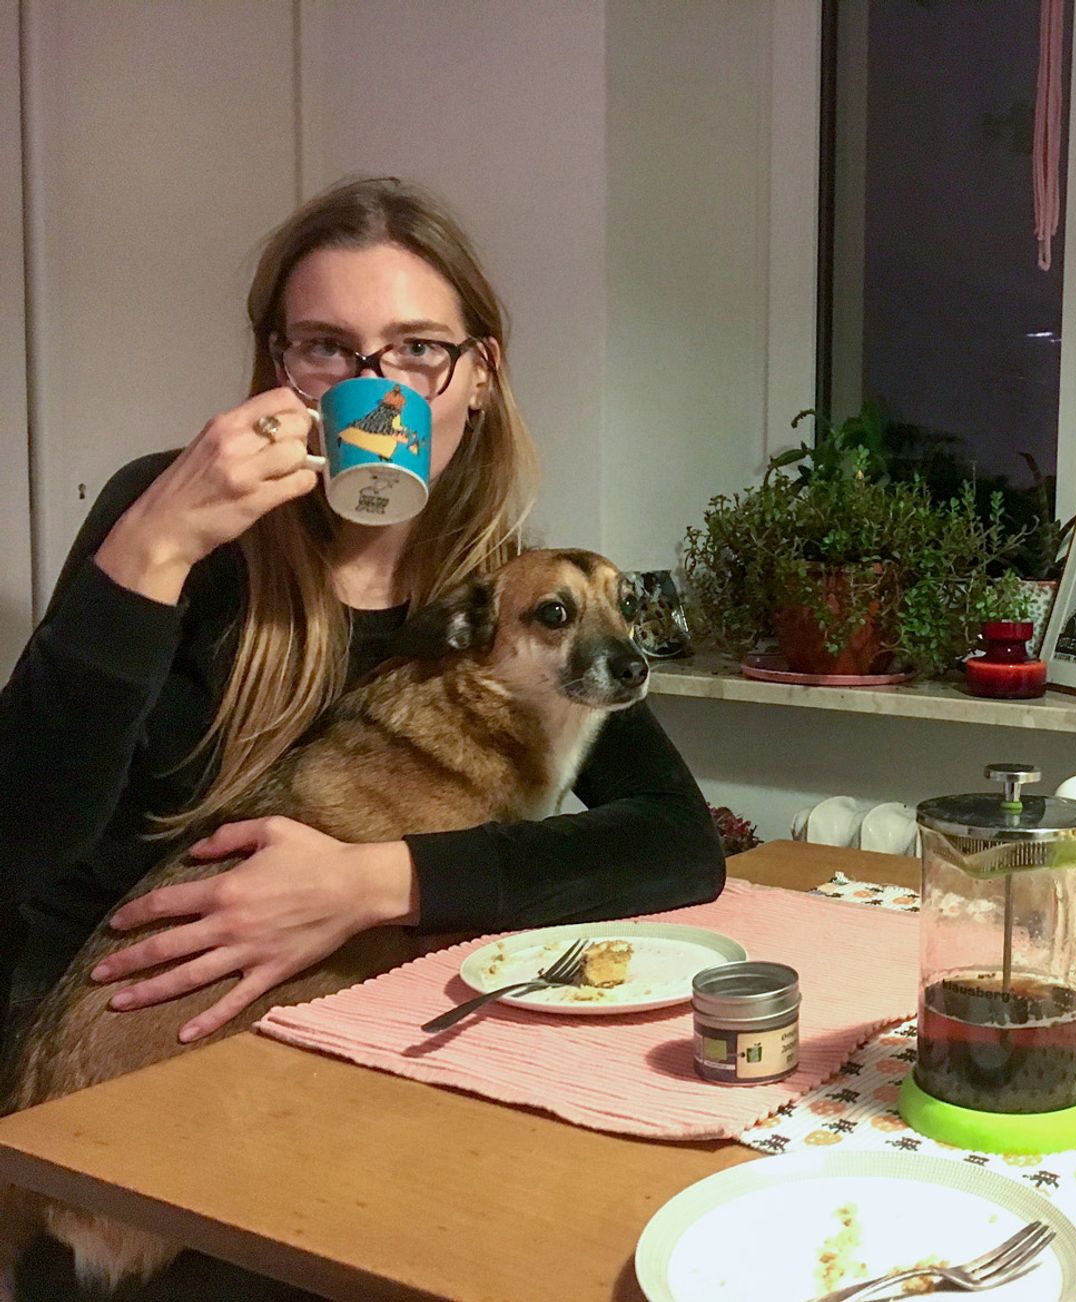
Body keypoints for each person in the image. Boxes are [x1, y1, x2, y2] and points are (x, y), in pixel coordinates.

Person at [0, 178, 725, 1298]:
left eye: (417, 350)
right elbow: (20, 838)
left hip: (327, 1058)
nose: (372, 387)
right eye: (328, 349)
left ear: (477, 376)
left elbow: (675, 838)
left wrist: (377, 881)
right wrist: (150, 551)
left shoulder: (503, 588)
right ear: (279, 369)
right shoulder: (174, 516)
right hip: (111, 1079)